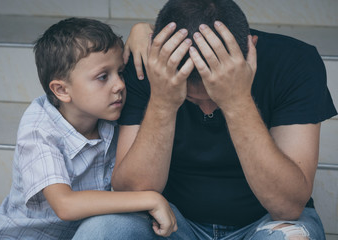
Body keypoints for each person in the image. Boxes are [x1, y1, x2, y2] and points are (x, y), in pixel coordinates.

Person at [72, 0, 337, 239]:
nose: (208, 107)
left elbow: (287, 206)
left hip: (265, 223)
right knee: (99, 231)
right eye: (193, 98)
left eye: (215, 95)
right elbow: (133, 191)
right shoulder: (149, 65)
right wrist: (164, 101)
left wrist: (236, 101)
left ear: (249, 48)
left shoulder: (295, 62)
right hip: (171, 221)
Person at [0, 17, 177, 240]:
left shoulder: (108, 112)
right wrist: (151, 199)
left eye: (121, 72)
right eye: (103, 77)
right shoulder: (39, 129)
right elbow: (65, 205)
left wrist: (140, 29)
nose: (120, 85)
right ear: (62, 90)